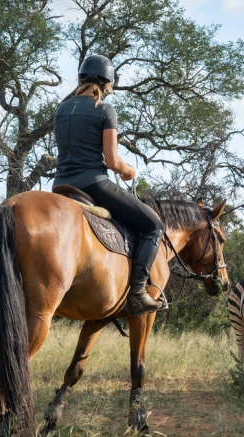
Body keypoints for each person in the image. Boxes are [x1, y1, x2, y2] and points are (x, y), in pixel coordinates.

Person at [53, 54, 166, 317]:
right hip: (93, 184)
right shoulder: (104, 110)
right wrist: (129, 170)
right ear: (107, 84)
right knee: (154, 227)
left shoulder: (62, 108)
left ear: (81, 78)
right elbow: (113, 160)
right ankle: (138, 292)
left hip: (60, 185)